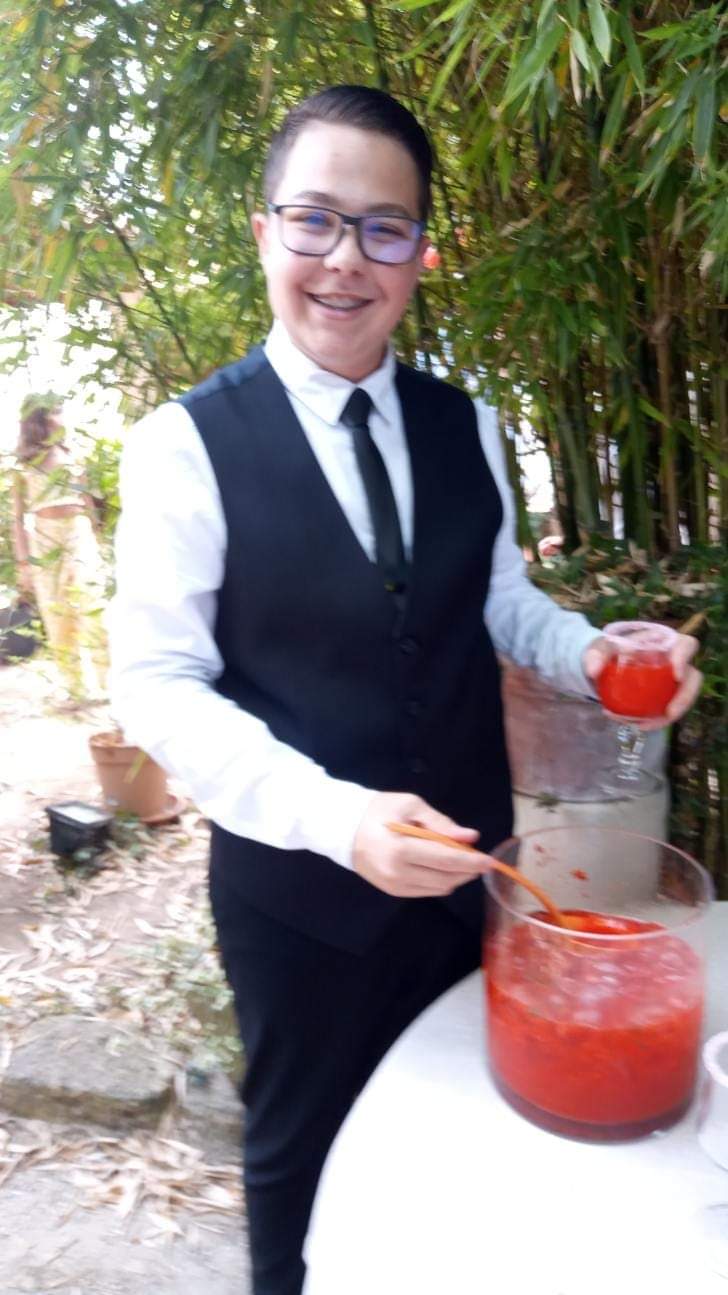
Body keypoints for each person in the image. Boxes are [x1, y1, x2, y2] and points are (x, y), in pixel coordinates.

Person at [110, 86, 702, 1295]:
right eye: (314, 219)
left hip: (473, 872)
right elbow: (157, 685)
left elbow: (497, 597)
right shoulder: (183, 444)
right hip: (299, 900)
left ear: (421, 253)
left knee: (459, 1140)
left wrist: (587, 654)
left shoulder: (465, 424)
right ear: (263, 231)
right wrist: (338, 818)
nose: (346, 258)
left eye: (384, 228)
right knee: (303, 1160)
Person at [12, 395, 107, 700]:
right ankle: (74, 686)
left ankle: (107, 681)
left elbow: (86, 500)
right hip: (44, 539)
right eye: (56, 412)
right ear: (38, 420)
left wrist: (98, 538)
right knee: (56, 609)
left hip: (78, 532)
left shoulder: (72, 456)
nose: (62, 417)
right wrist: (24, 564)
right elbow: (17, 519)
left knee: (91, 601)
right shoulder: (24, 466)